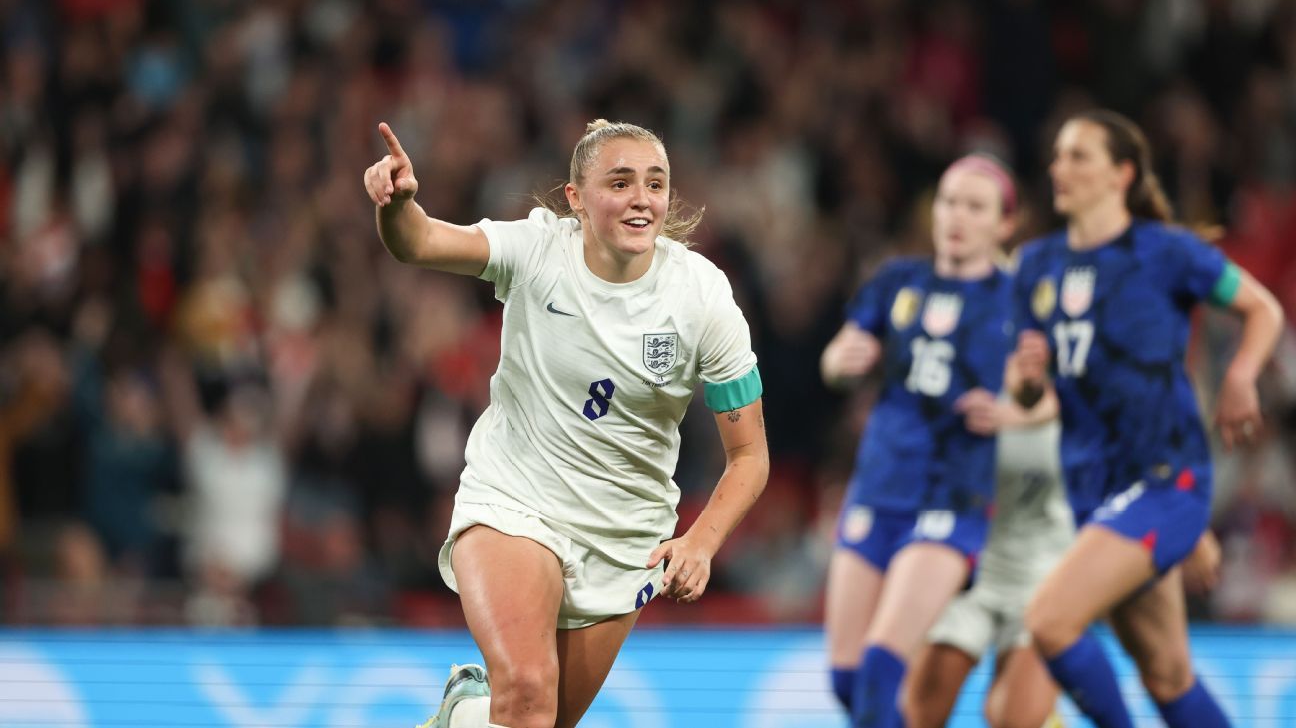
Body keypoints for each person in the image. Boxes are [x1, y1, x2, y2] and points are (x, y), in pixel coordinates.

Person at [362, 119, 769, 728]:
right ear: (576, 198)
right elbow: (418, 243)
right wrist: (398, 205)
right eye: (621, 182)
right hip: (516, 500)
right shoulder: (536, 251)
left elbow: (750, 456)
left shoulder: (702, 298)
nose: (641, 199)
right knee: (527, 689)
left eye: (655, 184)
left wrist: (701, 543)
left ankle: (461, 716)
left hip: (624, 536)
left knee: (535, 720)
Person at [1010, 109, 1284, 728]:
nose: (1060, 167)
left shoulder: (1168, 252)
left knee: (1051, 620)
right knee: (1166, 673)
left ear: (1122, 174)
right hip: (1092, 489)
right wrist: (1026, 383)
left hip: (1165, 479)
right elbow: (1029, 391)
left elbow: (1262, 310)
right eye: (1057, 155)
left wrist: (1241, 375)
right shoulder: (1035, 266)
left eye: (1079, 155)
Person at [821, 154, 1019, 727]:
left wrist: (1015, 413)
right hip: (878, 486)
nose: (957, 215)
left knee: (883, 672)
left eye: (975, 206)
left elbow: (1058, 397)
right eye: (949, 201)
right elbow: (835, 357)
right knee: (848, 681)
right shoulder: (896, 281)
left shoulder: (1019, 299)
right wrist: (841, 361)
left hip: (952, 498)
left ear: (1003, 225)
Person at [903, 391, 1071, 728]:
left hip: (1041, 569)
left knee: (1015, 719)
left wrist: (1017, 416)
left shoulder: (1072, 375)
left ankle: (1042, 715)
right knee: (919, 716)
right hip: (968, 561)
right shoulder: (964, 369)